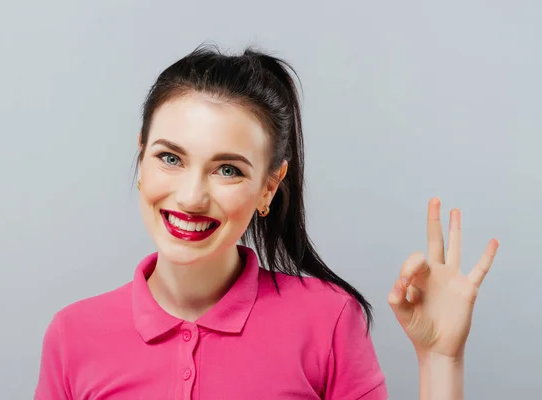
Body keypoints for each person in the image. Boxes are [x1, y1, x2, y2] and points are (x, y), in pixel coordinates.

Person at [34, 45, 499, 400]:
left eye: (228, 169)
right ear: (142, 157)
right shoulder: (73, 335)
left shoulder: (329, 321)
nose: (192, 196)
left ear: (269, 188)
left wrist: (441, 360)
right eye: (170, 158)